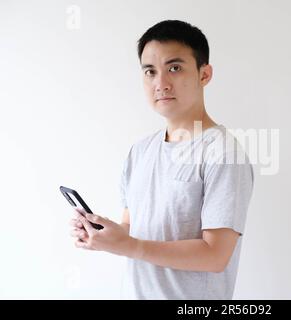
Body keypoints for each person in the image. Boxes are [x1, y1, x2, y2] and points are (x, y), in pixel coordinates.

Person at [69, 20, 254, 299]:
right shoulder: (140, 151)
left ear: (204, 74)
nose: (161, 83)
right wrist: (105, 236)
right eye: (150, 71)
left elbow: (215, 255)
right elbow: (133, 229)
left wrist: (129, 245)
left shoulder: (224, 153)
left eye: (174, 68)